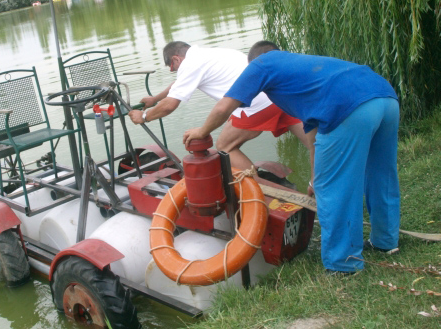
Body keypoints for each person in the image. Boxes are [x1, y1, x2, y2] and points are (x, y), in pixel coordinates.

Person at [183, 40, 400, 274]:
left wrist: (201, 132)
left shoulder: (262, 64)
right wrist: (314, 181)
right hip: (385, 97)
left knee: (336, 191)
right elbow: (315, 137)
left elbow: (223, 108)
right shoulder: (302, 69)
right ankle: (385, 241)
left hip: (348, 109)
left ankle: (343, 265)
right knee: (381, 175)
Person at [128, 41, 314, 171]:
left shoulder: (191, 64)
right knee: (315, 146)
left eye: (171, 66)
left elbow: (170, 106)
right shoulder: (211, 54)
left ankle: (258, 192)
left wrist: (144, 116)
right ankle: (323, 181)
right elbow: (176, 86)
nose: (171, 70)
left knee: (224, 146)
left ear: (176, 59)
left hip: (255, 105)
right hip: (277, 96)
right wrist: (155, 99)